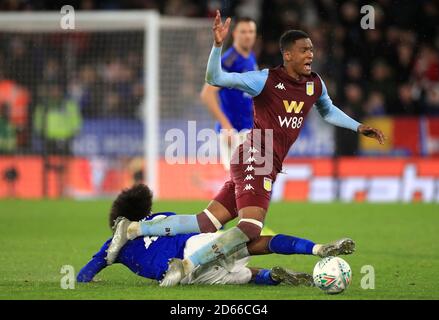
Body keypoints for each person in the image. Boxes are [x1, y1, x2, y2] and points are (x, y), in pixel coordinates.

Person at [108, 11, 384, 286]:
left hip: (264, 161)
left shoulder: (315, 84)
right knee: (251, 227)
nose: (310, 55)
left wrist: (358, 126)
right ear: (288, 55)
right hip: (257, 154)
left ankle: (132, 228)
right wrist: (217, 46)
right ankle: (185, 265)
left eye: (311, 50)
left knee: (206, 222)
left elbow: (329, 110)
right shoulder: (264, 80)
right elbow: (215, 78)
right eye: (303, 50)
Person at [77, 184, 315, 287]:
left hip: (188, 279)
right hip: (191, 250)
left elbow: (83, 275)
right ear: (145, 210)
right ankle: (312, 249)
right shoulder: (161, 218)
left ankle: (268, 276)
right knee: (243, 242)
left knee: (238, 276)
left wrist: (89, 279)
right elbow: (197, 227)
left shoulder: (113, 246)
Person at [200, 17, 258, 171]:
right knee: (243, 182)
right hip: (234, 131)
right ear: (235, 34)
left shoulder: (250, 57)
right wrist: (227, 127)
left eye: (251, 32)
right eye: (243, 32)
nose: (247, 35)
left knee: (252, 182)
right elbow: (207, 94)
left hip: (248, 128)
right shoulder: (229, 61)